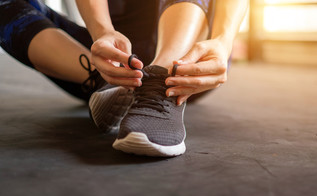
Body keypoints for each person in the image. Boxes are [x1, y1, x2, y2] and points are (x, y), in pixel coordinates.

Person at [0, 0, 247, 157]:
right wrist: (103, 33)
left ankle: (161, 79)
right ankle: (103, 80)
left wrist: (223, 42)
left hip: (192, 58)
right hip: (108, 56)